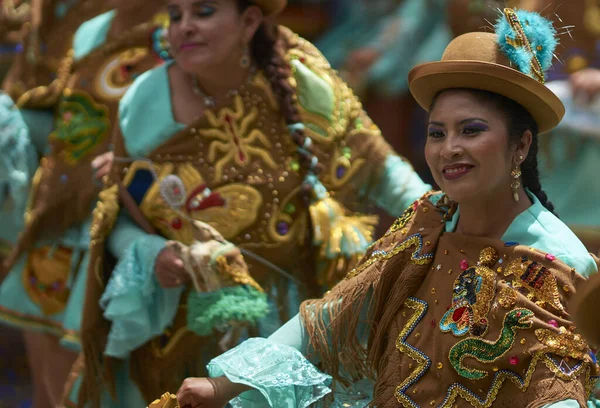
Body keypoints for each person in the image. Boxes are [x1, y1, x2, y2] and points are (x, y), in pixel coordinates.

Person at [174, 8, 600, 408]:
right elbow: (332, 315)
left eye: (471, 130)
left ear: (521, 145)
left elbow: (558, 393)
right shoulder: (430, 218)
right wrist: (222, 384)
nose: (450, 149)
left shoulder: (557, 264)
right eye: (437, 133)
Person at [77, 0, 431, 405]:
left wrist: (443, 213)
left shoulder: (301, 76)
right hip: (185, 328)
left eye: (204, 12)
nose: (185, 27)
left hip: (291, 320)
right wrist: (154, 252)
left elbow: (381, 168)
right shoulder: (143, 100)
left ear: (248, 21)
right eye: (176, 16)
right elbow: (115, 217)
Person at [0, 2, 168, 406]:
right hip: (53, 220)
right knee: (46, 391)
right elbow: (65, 121)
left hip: (118, 234)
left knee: (83, 392)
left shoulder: (180, 33)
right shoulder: (92, 28)